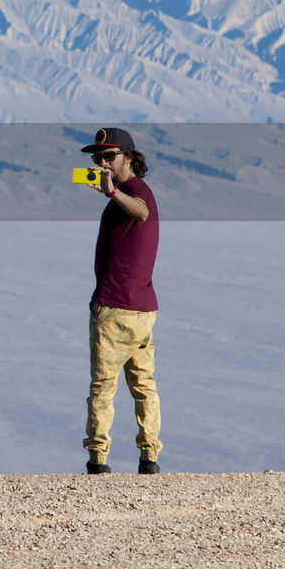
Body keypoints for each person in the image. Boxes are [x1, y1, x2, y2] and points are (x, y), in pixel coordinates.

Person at [79, 126, 162, 475]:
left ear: (129, 157)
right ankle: (150, 458)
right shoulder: (128, 192)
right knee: (144, 386)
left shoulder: (134, 191)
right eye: (98, 158)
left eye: (109, 156)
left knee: (103, 385)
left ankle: (97, 461)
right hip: (142, 308)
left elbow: (140, 211)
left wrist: (112, 191)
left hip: (116, 308)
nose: (103, 163)